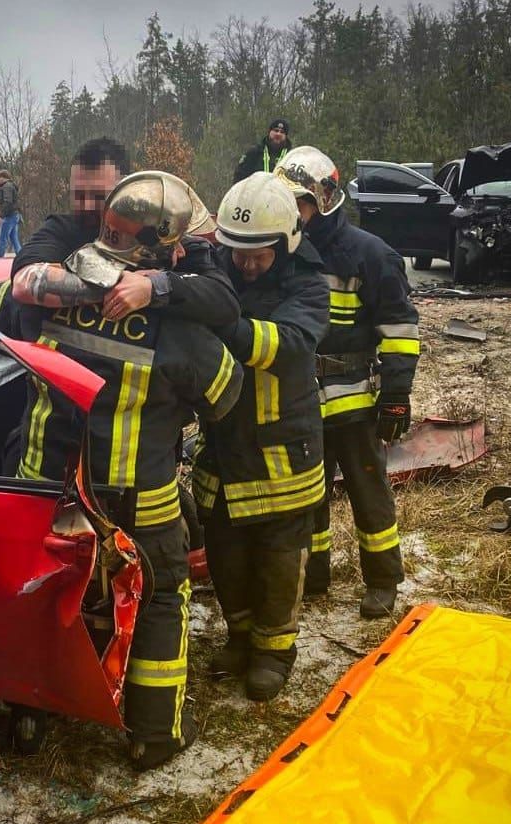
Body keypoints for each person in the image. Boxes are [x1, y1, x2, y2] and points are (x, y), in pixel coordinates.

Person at [0, 172, 244, 771]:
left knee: (43, 595)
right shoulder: (181, 329)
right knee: (160, 597)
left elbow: (4, 314)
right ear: (156, 250)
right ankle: (152, 735)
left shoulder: (43, 298)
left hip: (43, 485)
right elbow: (224, 395)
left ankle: (29, 713)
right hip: (140, 496)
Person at [195, 173, 329, 701]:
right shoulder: (220, 272)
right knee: (227, 553)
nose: (247, 264)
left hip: (282, 452)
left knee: (278, 558)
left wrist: (219, 319)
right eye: (238, 253)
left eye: (260, 255)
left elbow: (287, 344)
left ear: (286, 245)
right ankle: (240, 636)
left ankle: (275, 651)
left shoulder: (309, 285)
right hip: (225, 448)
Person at [275, 146, 420, 618]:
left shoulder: (369, 254)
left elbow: (399, 329)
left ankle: (382, 580)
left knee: (368, 491)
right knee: (309, 494)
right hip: (301, 403)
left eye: (298, 201)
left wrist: (396, 397)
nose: (290, 211)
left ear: (326, 197)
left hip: (356, 400)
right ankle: (315, 575)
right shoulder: (285, 251)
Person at [2, 137, 239, 333]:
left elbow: (224, 301)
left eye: (97, 196)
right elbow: (26, 283)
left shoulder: (162, 231)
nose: (84, 205)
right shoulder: (62, 229)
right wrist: (123, 282)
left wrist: (155, 287)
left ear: (126, 190)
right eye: (77, 194)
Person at [234, 119, 292, 184]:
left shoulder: (291, 156)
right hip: (256, 192)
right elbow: (239, 176)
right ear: (269, 132)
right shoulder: (254, 152)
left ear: (286, 136)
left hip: (282, 193)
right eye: (276, 130)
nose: (278, 134)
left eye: (282, 132)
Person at [0, 169, 21, 257]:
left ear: (3, 178)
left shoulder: (7, 187)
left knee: (2, 237)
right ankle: (21, 256)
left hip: (9, 215)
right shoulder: (10, 186)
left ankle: (0, 257)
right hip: (15, 215)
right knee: (14, 239)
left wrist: (1, 215)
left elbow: (7, 202)